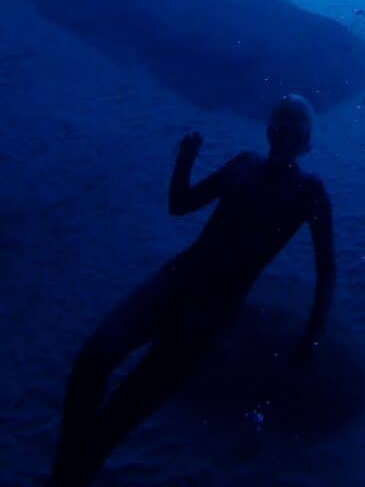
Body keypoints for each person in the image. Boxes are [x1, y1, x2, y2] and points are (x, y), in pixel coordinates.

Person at [47, 93, 335, 486]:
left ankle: (69, 475)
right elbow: (180, 204)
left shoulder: (309, 192)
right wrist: (185, 159)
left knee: (121, 412)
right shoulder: (244, 164)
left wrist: (313, 333)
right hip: (176, 280)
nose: (285, 134)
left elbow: (326, 268)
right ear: (270, 131)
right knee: (92, 361)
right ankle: (67, 469)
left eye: (294, 129)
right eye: (280, 126)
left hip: (209, 314)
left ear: (305, 141)